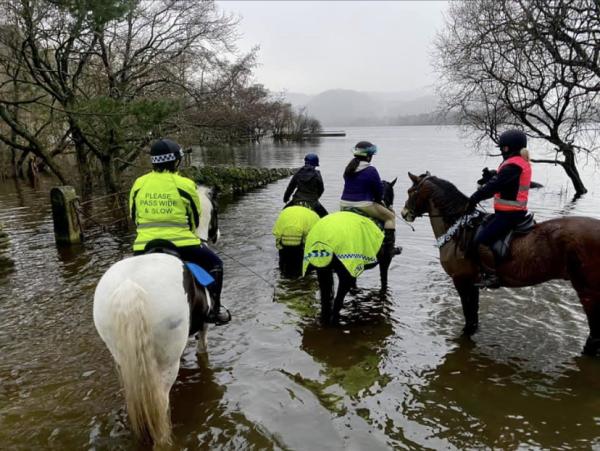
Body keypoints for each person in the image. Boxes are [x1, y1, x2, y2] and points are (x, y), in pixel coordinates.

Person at [129, 138, 231, 324]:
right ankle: (215, 310)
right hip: (182, 244)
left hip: (144, 245)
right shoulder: (185, 184)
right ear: (176, 161)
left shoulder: (139, 183)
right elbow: (194, 218)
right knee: (216, 264)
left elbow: (133, 215)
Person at [467, 129, 532, 288]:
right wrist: (492, 175)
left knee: (481, 241)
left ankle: (492, 276)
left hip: (510, 215)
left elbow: (495, 186)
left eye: (503, 148)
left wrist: (474, 198)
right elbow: (504, 183)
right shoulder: (517, 162)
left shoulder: (513, 165)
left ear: (508, 148)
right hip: (508, 212)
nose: (502, 151)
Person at [340, 141, 400, 256]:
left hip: (344, 204)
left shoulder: (348, 169)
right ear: (368, 156)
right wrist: (379, 200)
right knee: (391, 217)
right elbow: (379, 191)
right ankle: (389, 249)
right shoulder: (371, 170)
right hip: (364, 205)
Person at [283, 153, 328, 217]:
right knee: (325, 216)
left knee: (283, 212)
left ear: (305, 162)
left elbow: (290, 188)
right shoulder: (317, 174)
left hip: (297, 200)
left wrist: (285, 198)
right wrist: (316, 197)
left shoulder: (298, 173)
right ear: (315, 164)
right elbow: (321, 189)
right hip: (312, 202)